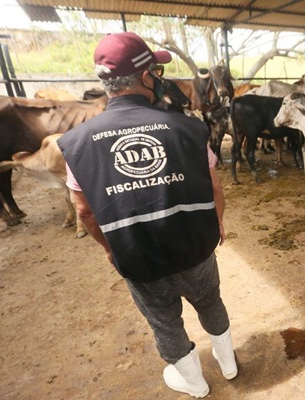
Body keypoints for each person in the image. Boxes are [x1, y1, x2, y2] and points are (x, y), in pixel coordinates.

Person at [57, 32, 237, 398]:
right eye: (155, 70)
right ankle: (229, 363)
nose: (158, 77)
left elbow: (84, 210)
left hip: (139, 255)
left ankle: (195, 383)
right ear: (144, 78)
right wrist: (216, 223)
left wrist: (110, 248)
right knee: (210, 300)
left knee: (163, 319)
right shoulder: (188, 128)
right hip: (195, 248)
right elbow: (214, 188)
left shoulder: (76, 144)